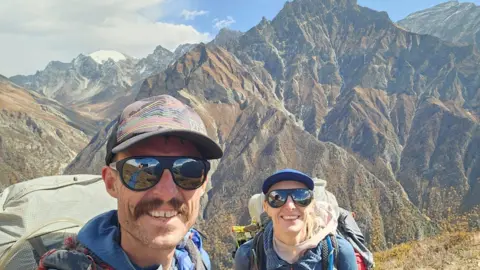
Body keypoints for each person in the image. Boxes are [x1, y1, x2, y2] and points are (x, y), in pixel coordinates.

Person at [38, 95, 223, 270]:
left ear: (203, 183)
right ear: (111, 183)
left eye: (188, 170)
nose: (167, 192)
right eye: (142, 170)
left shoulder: (195, 257)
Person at [234, 169, 357, 270]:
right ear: (266, 207)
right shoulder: (248, 255)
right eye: (277, 198)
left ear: (312, 205)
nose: (290, 206)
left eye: (300, 196)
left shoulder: (339, 252)